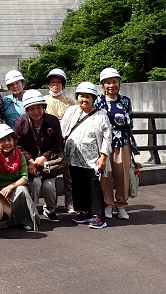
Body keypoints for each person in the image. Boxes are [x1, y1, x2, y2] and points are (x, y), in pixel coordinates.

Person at [61, 82, 112, 230]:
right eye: (81, 96)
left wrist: (103, 157)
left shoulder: (101, 116)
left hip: (92, 159)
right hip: (74, 156)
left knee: (94, 185)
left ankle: (99, 216)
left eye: (88, 96)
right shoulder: (71, 111)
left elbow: (107, 138)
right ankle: (84, 211)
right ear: (77, 97)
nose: (84, 99)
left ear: (93, 98)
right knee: (78, 185)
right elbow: (63, 129)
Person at [96, 68, 139, 220]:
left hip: (122, 143)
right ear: (102, 84)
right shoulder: (98, 101)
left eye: (114, 82)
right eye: (107, 82)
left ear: (119, 83)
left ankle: (121, 205)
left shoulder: (125, 101)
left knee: (122, 175)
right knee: (105, 175)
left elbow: (130, 122)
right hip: (104, 144)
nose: (111, 85)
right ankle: (107, 204)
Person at [14, 90, 64, 222]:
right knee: (35, 184)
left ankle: (50, 210)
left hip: (48, 163)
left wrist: (45, 157)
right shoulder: (21, 122)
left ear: (43, 107)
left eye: (39, 107)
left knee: (48, 186)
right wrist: (30, 161)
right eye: (32, 108)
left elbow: (58, 143)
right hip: (29, 163)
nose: (36, 111)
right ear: (26, 109)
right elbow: (18, 145)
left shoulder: (52, 121)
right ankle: (32, 210)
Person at [0, 124, 40, 231]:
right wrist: (1, 194)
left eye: (9, 139)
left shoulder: (20, 155)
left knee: (22, 190)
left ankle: (27, 220)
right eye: (2, 140)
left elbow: (24, 178)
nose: (7, 143)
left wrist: (10, 187)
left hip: (14, 189)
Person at [43, 67, 76, 213]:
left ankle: (70, 202)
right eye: (52, 82)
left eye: (58, 82)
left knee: (69, 174)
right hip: (50, 143)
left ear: (63, 84)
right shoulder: (43, 101)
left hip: (68, 141)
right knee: (52, 172)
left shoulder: (70, 102)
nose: (55, 84)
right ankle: (52, 203)